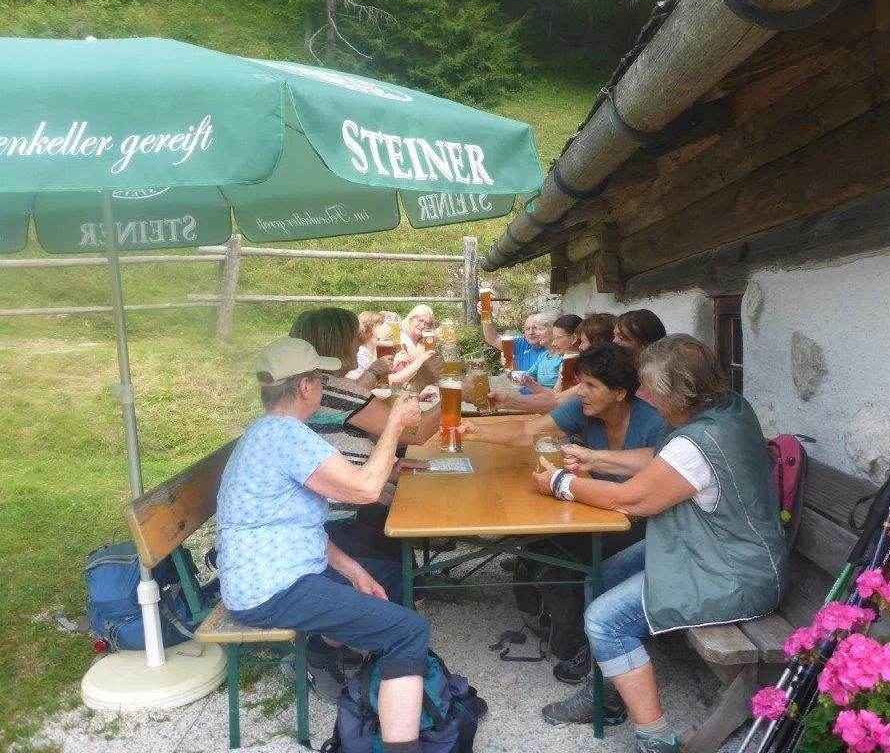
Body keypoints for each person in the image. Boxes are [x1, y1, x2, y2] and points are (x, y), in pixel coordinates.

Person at [535, 335, 787, 753]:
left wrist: (560, 483)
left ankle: (655, 741)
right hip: (711, 548)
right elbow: (660, 457)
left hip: (735, 573)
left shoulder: (698, 440)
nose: (645, 396)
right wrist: (595, 460)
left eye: (653, 389)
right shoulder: (726, 407)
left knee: (605, 620)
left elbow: (630, 498)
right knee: (600, 573)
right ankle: (609, 695)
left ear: (682, 392)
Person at [216, 336, 430, 753]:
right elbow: (367, 489)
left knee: (392, 575)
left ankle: (353, 670)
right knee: (409, 630)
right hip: (270, 590)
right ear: (304, 387)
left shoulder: (270, 431)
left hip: (272, 572)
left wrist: (353, 571)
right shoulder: (289, 437)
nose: (324, 384)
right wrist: (395, 423)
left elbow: (297, 523)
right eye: (320, 377)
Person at [458, 343, 665, 683]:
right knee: (540, 542)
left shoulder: (652, 424)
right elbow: (528, 431)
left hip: (638, 521)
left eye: (590, 385)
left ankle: (580, 646)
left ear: (619, 392)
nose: (580, 392)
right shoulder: (583, 410)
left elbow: (652, 495)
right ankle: (552, 622)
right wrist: (475, 431)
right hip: (594, 507)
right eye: (580, 382)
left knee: (557, 553)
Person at [289, 308, 442, 562]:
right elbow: (416, 433)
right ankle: (410, 585)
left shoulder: (308, 386)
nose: (360, 344)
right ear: (338, 345)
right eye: (355, 338)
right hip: (335, 518)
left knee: (401, 491)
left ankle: (417, 579)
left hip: (324, 503)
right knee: (410, 501)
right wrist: (455, 395)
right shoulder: (331, 390)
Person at [491, 313, 606, 414]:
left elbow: (556, 399)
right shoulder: (553, 358)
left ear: (574, 338)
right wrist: (512, 366)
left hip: (562, 415)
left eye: (540, 329)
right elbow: (519, 382)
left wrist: (511, 401)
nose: (554, 343)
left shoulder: (574, 363)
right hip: (552, 411)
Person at [518, 313, 581, 393]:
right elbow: (527, 376)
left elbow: (557, 396)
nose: (535, 333)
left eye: (540, 329)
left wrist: (530, 384)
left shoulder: (568, 359)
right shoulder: (543, 356)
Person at [480, 307, 551, 372]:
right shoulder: (521, 343)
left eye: (535, 328)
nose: (531, 332)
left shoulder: (553, 348)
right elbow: (492, 339)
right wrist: (486, 314)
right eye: (527, 328)